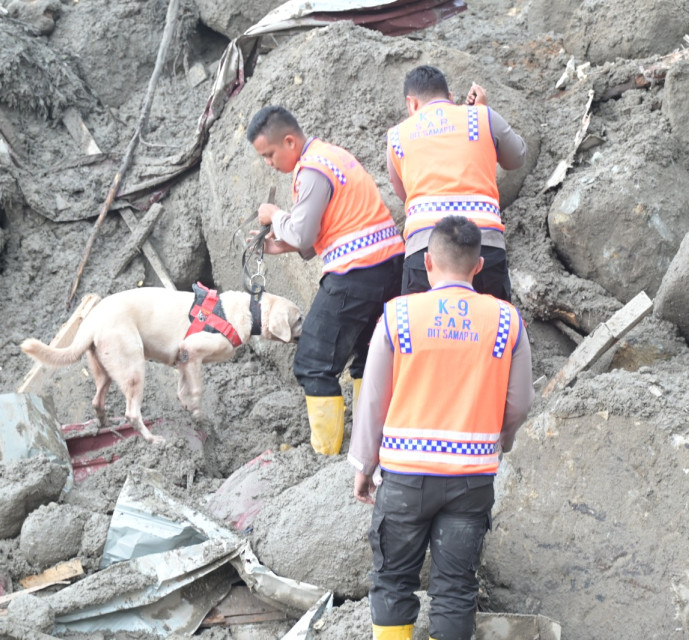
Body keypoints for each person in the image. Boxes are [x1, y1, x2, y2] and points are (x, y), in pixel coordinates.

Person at [348, 216, 534, 640]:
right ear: (479, 266)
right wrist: (499, 441)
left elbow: (373, 399)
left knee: (394, 580)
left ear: (427, 263)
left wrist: (363, 464)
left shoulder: (398, 316)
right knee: (455, 589)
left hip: (404, 480)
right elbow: (520, 402)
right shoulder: (507, 321)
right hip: (471, 482)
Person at [247, 105, 405, 455]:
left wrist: (274, 215)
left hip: (356, 273)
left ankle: (325, 454)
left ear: (289, 141)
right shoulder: (333, 156)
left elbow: (303, 233)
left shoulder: (311, 170)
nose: (269, 163)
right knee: (369, 354)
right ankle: (374, 439)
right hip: (390, 265)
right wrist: (280, 246)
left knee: (312, 363)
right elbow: (329, 228)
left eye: (270, 154)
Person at [387, 65, 528, 301]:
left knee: (420, 331)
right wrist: (482, 111)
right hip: (482, 245)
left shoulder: (397, 135)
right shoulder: (481, 116)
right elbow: (517, 158)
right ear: (450, 98)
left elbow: (404, 194)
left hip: (425, 249)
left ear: (411, 103)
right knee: (490, 327)